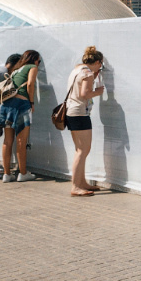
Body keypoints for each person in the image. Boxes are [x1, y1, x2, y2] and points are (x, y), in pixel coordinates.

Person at [64, 46, 106, 197]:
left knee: (80, 150)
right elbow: (85, 94)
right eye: (101, 64)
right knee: (83, 150)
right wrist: (98, 92)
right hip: (80, 113)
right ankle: (76, 186)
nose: (100, 67)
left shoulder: (77, 70)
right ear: (97, 62)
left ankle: (81, 182)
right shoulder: (87, 73)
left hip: (71, 112)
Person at [0, 49, 40, 183]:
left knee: (7, 141)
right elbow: (30, 84)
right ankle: (23, 173)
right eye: (39, 61)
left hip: (7, 105)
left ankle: (6, 174)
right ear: (34, 60)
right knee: (21, 141)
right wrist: (31, 102)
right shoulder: (32, 67)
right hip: (21, 105)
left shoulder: (15, 70)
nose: (39, 64)